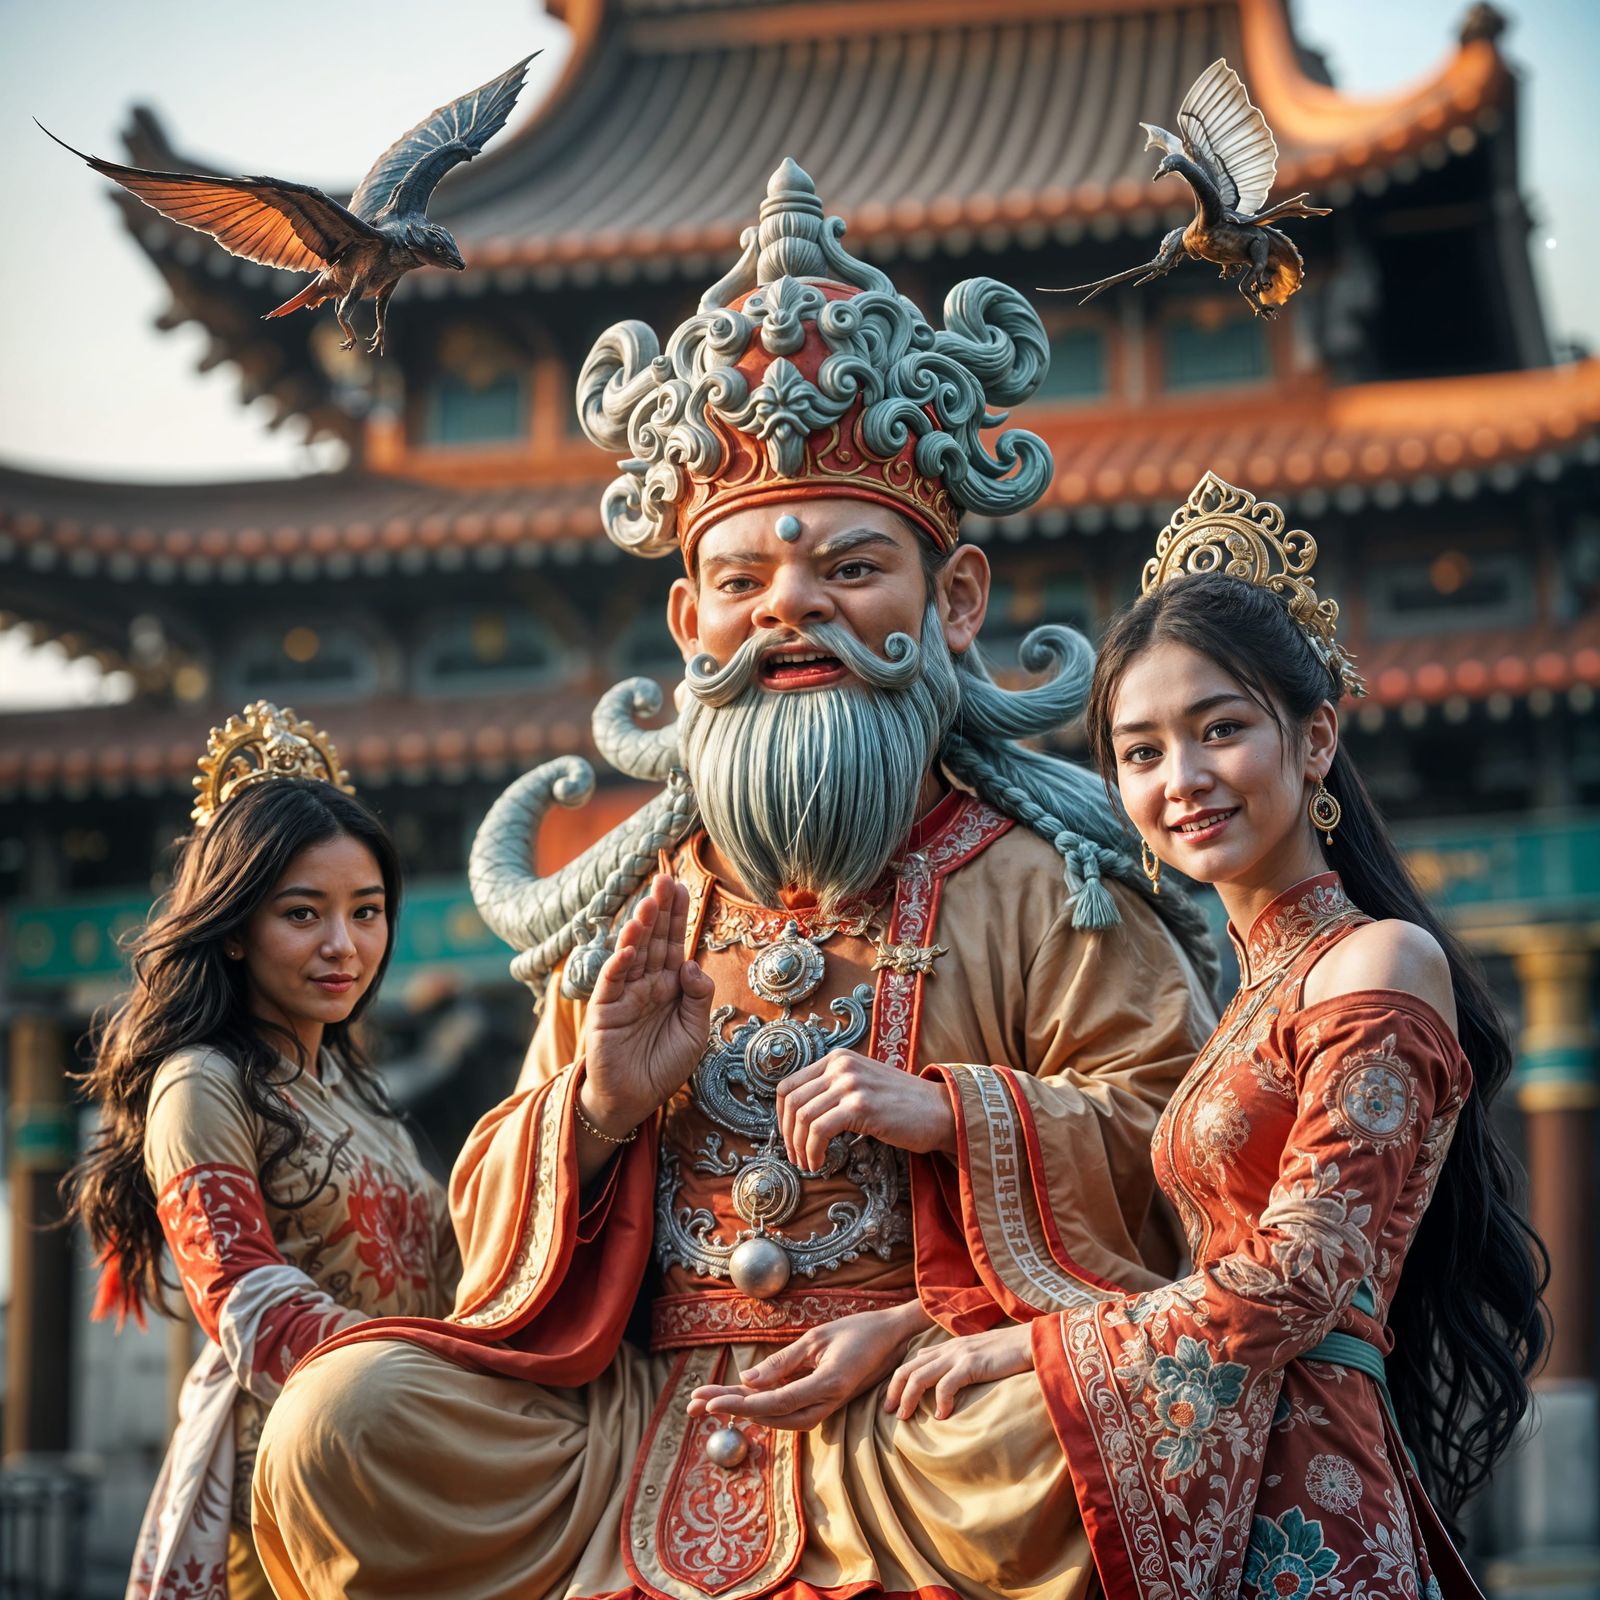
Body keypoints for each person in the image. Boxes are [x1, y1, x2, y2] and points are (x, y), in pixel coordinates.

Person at [250, 158, 1219, 1600]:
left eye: (851, 567)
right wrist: (594, 1106)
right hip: (634, 1419)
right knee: (339, 1426)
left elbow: (1180, 1144)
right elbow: (491, 1210)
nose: (793, 609)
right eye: (746, 580)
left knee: (1130, 1420)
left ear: (953, 604)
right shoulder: (640, 901)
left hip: (920, 1403)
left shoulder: (1042, 881)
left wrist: (957, 1114)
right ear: (687, 618)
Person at [883, 474, 1547, 1598]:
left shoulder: (1377, 963)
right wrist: (910, 1322)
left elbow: (1294, 1277)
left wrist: (1025, 1351)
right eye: (1139, 752)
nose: (1179, 780)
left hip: (1312, 1520)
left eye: (1220, 730)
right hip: (1211, 1481)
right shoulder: (1242, 1002)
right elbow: (1160, 1265)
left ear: (1316, 736)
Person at [64, 702, 460, 1600]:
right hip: (291, 1490)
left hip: (407, 1467)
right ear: (235, 927)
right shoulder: (202, 1083)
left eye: (366, 912)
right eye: (303, 913)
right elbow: (247, 1300)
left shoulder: (364, 1097)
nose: (343, 945)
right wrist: (446, 1386)